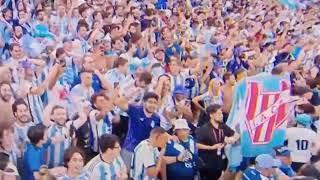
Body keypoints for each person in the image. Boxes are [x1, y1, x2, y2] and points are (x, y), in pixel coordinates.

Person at [115, 92, 161, 169]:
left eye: (155, 103)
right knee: (125, 174)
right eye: (150, 102)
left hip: (144, 152)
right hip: (129, 149)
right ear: (144, 102)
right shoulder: (135, 110)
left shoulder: (157, 118)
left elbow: (155, 135)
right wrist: (129, 94)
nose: (152, 105)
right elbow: (117, 102)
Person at [196, 104, 239, 180]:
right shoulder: (204, 129)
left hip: (220, 161)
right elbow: (196, 144)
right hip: (208, 164)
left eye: (221, 113)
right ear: (211, 115)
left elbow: (235, 135)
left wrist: (231, 139)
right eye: (219, 113)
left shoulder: (223, 126)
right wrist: (211, 147)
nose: (221, 115)